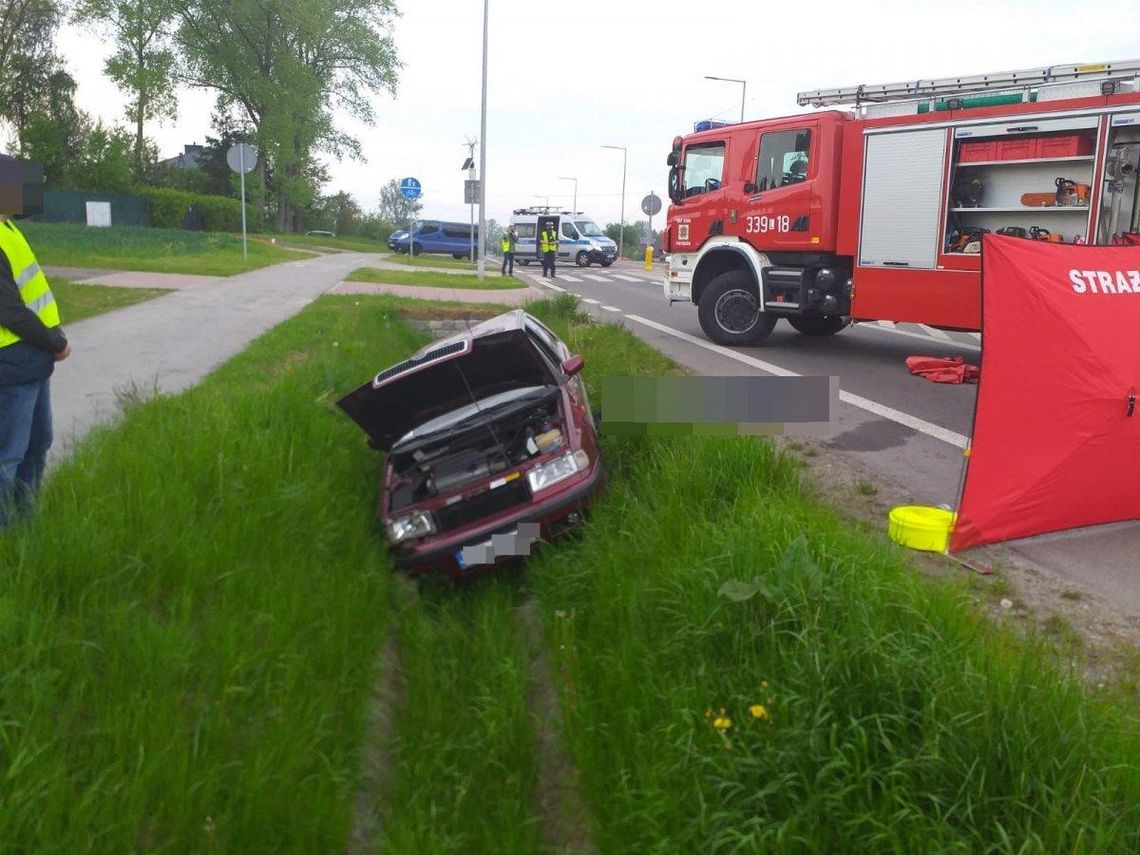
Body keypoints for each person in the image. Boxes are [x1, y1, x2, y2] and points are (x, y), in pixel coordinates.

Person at [0, 155, 70, 528]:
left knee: (36, 444)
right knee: (7, 456)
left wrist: (50, 341)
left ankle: (25, 524)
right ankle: (6, 539)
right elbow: (9, 311)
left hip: (31, 359)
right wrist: (54, 342)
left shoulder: (9, 228)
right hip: (10, 363)